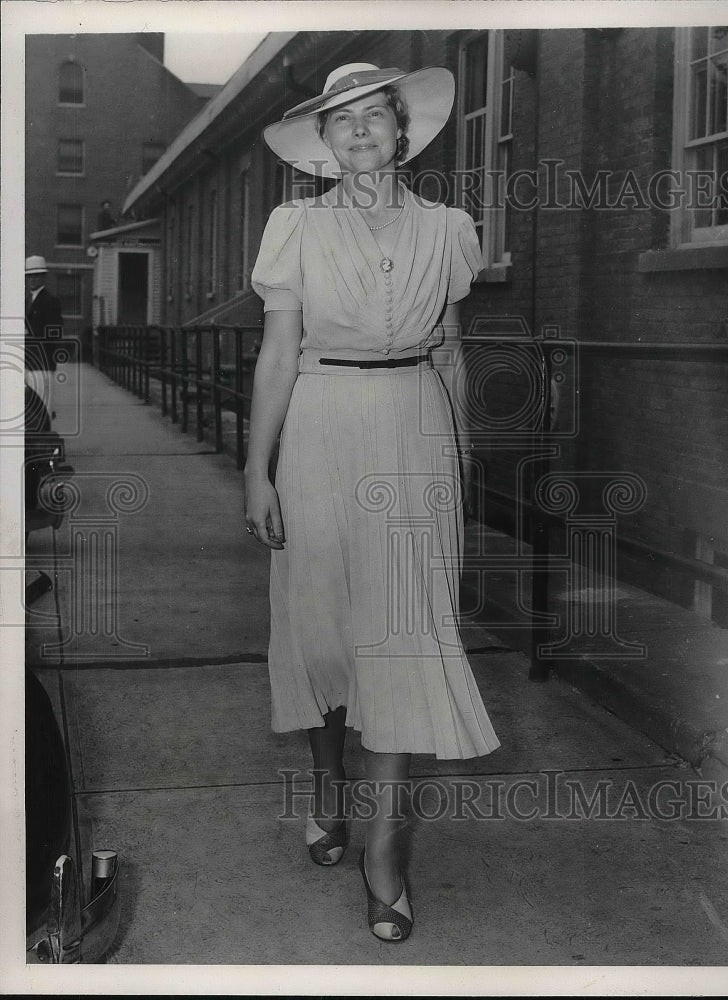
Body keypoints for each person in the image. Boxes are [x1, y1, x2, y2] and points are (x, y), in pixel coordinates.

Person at [244, 62, 500, 942]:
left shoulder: (446, 228)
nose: (358, 132)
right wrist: (256, 469)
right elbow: (278, 355)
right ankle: (326, 784)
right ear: (324, 142)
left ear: (402, 132)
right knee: (324, 624)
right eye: (340, 120)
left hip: (414, 428)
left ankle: (385, 846)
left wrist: (459, 457)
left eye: (374, 118)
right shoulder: (295, 226)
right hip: (318, 424)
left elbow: (452, 349)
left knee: (405, 634)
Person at [24, 255, 62, 418]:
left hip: (42, 364)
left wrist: (29, 334)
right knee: (30, 409)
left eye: (36, 275)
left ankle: (45, 442)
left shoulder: (50, 301)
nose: (32, 279)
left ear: (43, 277)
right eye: (29, 275)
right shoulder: (27, 301)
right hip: (27, 363)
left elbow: (54, 334)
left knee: (43, 407)